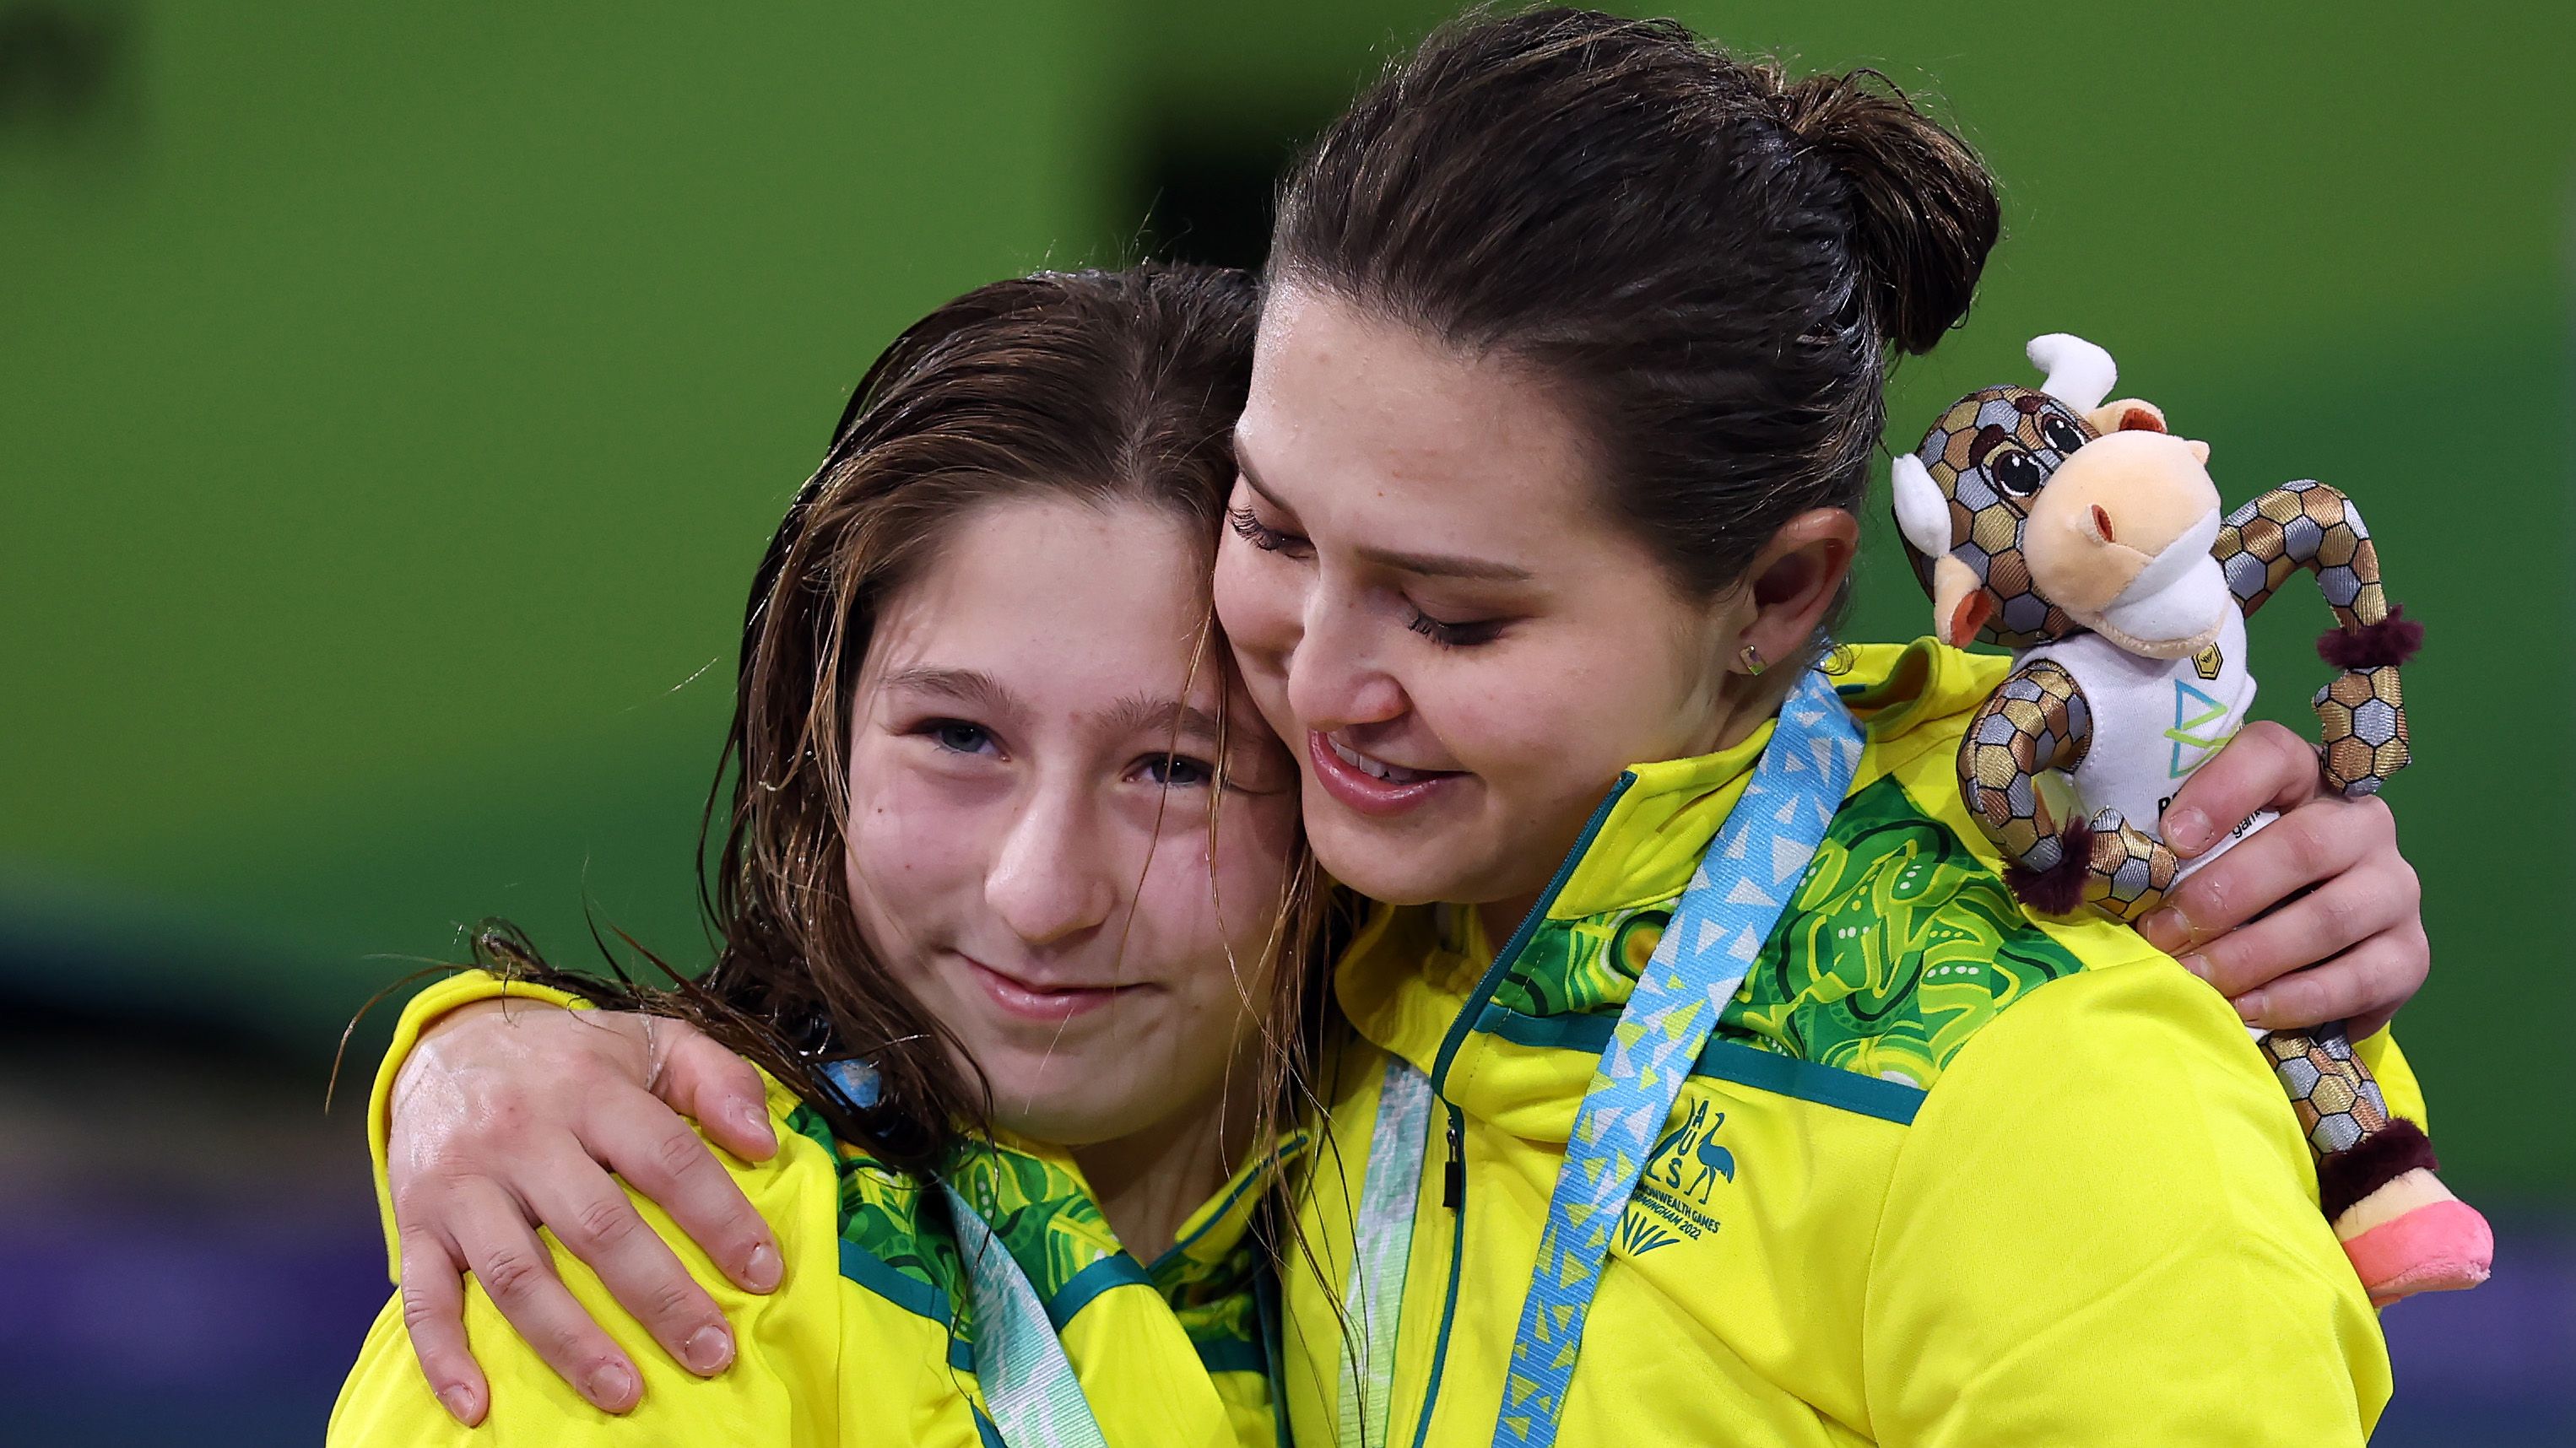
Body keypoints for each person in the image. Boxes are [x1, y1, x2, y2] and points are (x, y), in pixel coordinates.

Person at [365, 10, 2439, 1445]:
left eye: (1452, 612)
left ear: (1780, 596)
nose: (1319, 675)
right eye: (1273, 530)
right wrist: (461, 1055)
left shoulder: (2040, 1089)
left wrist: (2217, 924)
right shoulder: (1369, 946)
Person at [330, 264, 1329, 1446]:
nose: (1044, 892)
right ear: (824, 737)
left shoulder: (1473, 1212)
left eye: (1175, 768)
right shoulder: (635, 1264)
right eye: (960, 736)